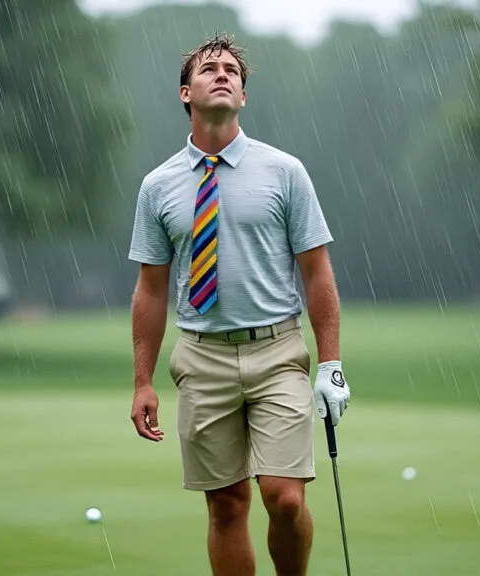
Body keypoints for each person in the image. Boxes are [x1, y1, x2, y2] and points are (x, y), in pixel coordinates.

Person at [126, 32, 350, 576]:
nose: (222, 73)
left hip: (277, 352)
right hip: (201, 357)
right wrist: (142, 380)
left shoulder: (285, 171)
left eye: (232, 70)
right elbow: (151, 289)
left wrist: (331, 364)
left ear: (243, 96)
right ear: (186, 93)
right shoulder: (158, 186)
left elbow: (316, 271)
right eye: (209, 69)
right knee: (227, 506)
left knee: (285, 497)